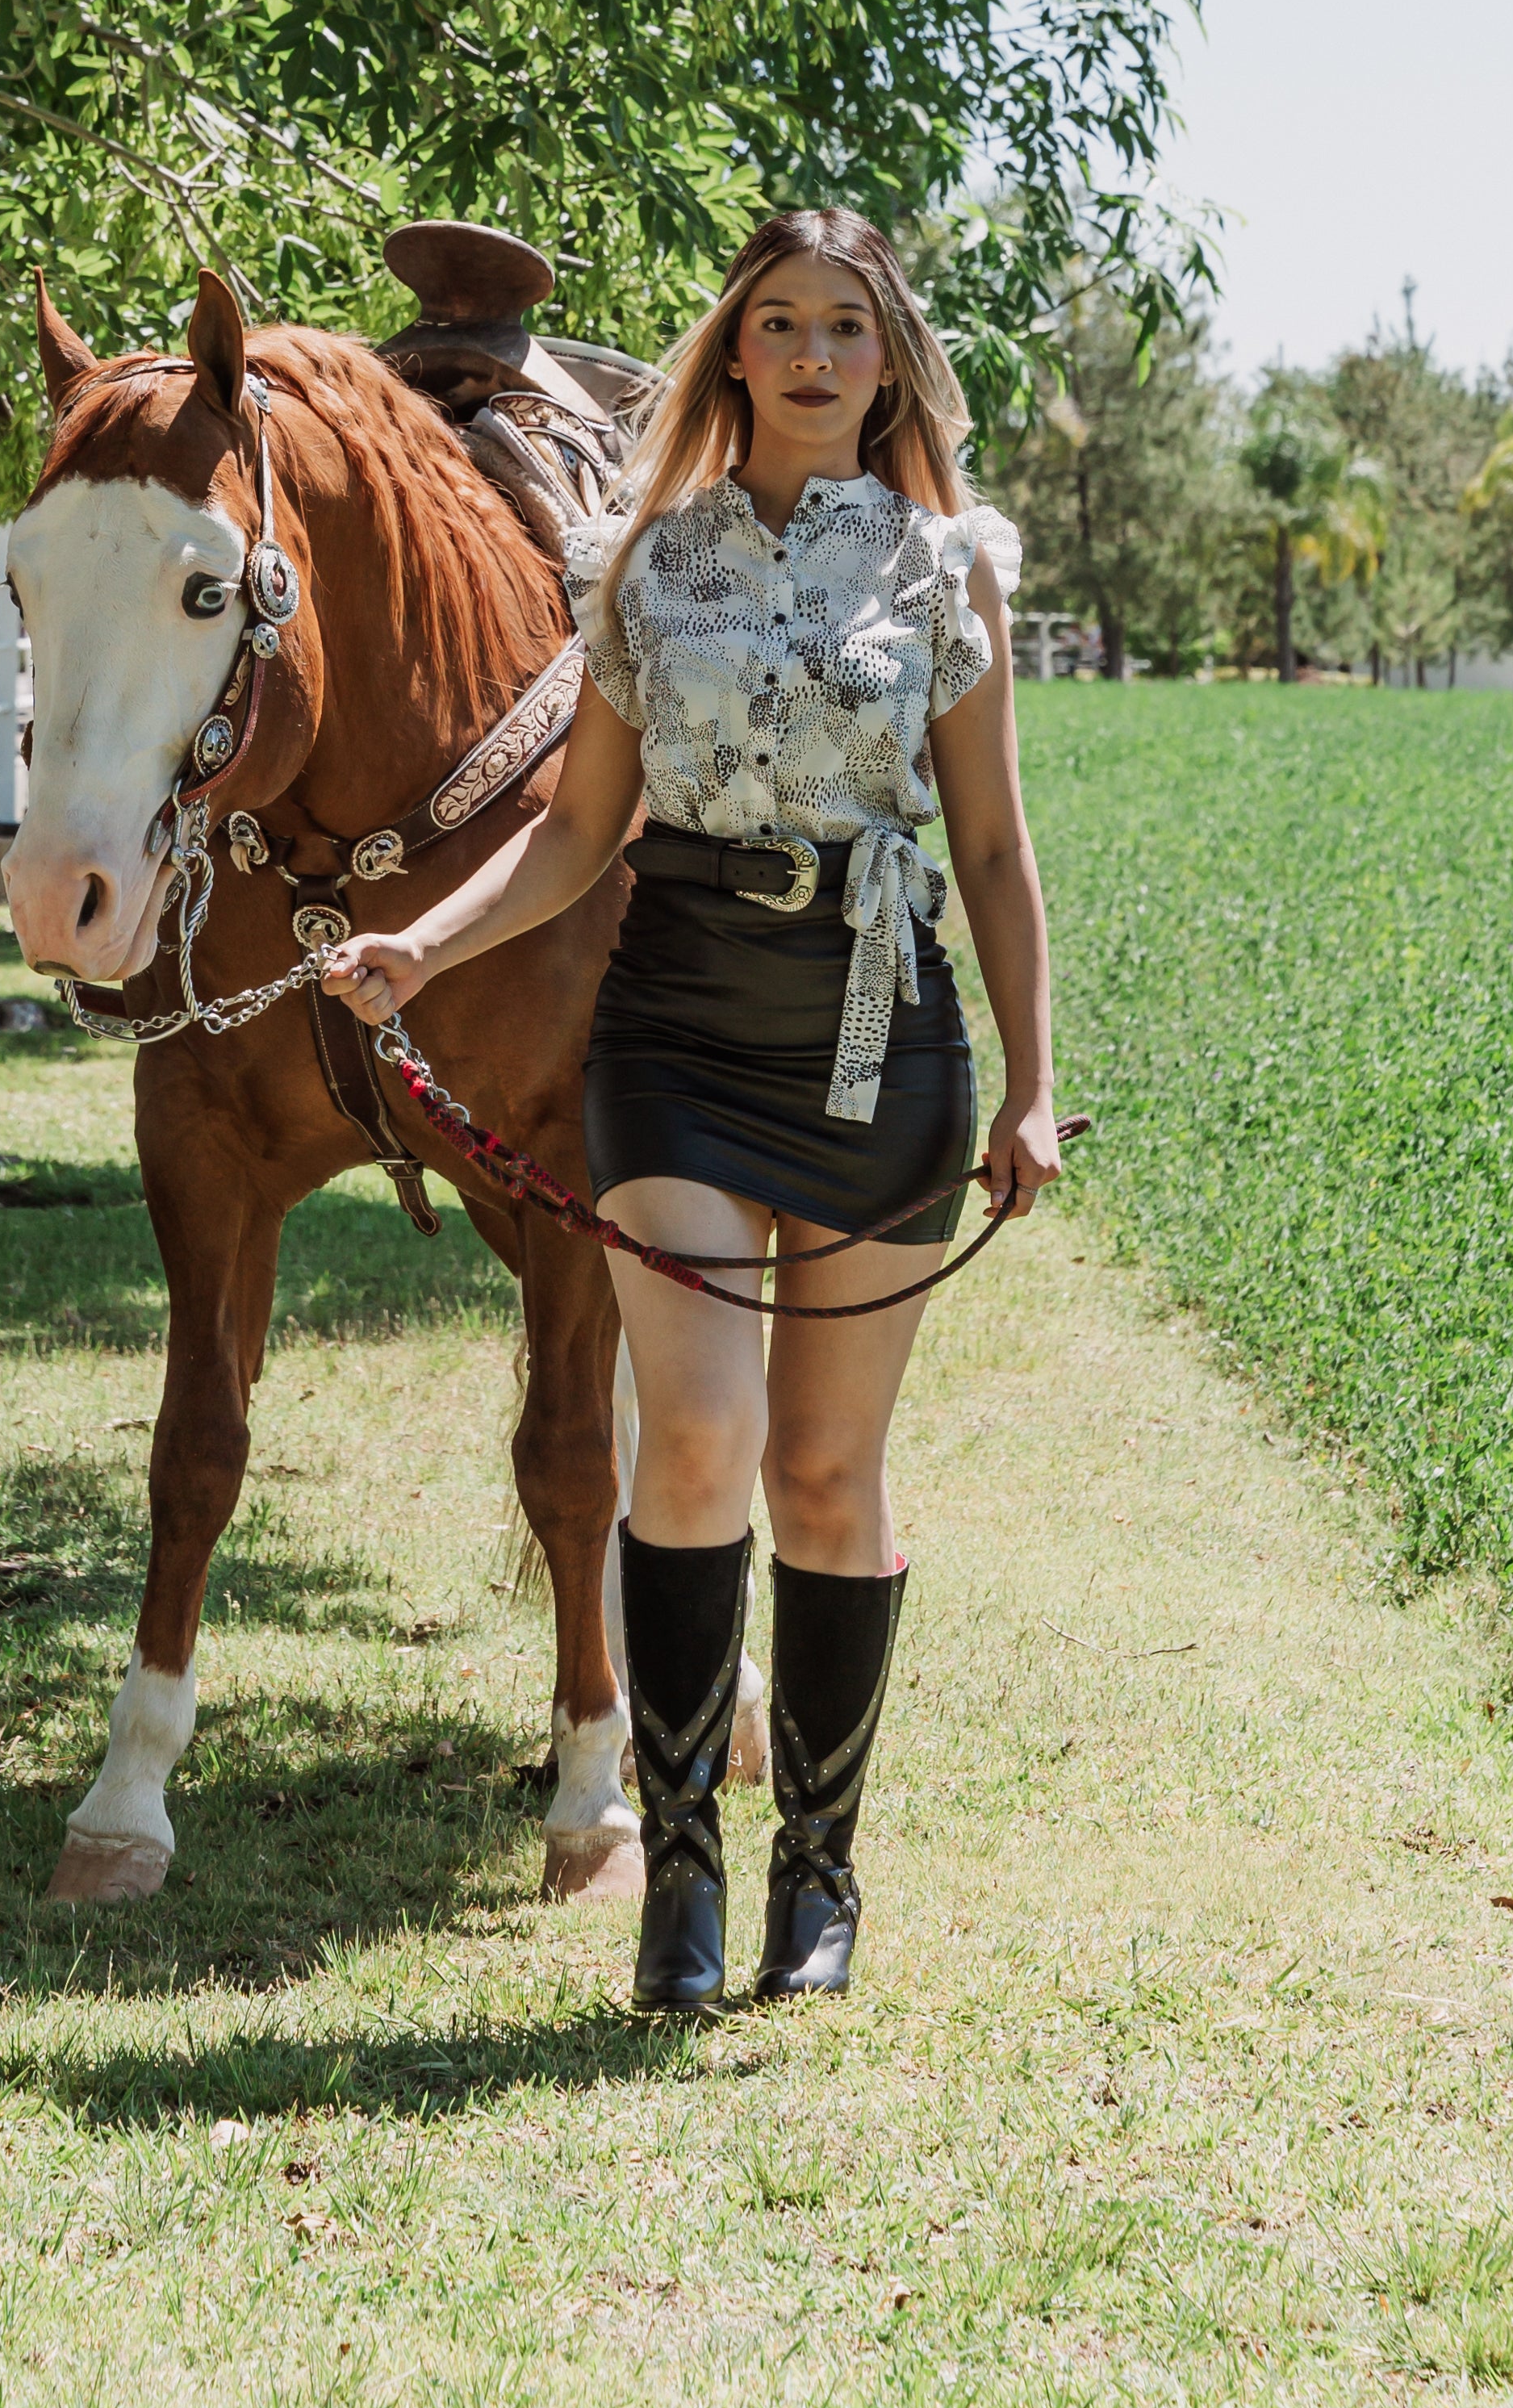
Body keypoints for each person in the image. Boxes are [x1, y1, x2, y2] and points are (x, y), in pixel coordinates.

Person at [324, 206, 1060, 2016]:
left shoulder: (948, 570)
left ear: (888, 361)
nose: (812, 355)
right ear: (733, 348)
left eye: (846, 328)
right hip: (674, 1028)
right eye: (780, 323)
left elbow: (985, 844)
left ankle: (818, 1873)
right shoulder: (642, 562)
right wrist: (419, 938)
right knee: (694, 1446)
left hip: (878, 1035)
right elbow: (578, 826)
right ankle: (679, 1882)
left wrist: (1032, 1084)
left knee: (825, 1471)